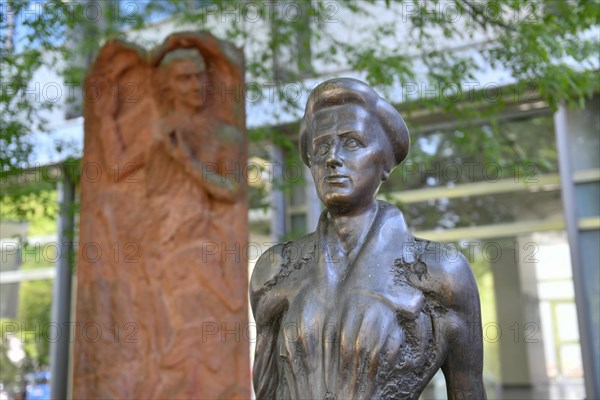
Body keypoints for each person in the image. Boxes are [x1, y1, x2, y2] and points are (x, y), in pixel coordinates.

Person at [250, 78, 486, 399]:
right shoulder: (275, 269)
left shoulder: (441, 273)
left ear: (384, 162)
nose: (332, 157)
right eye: (320, 147)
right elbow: (267, 389)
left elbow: (468, 391)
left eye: (352, 143)